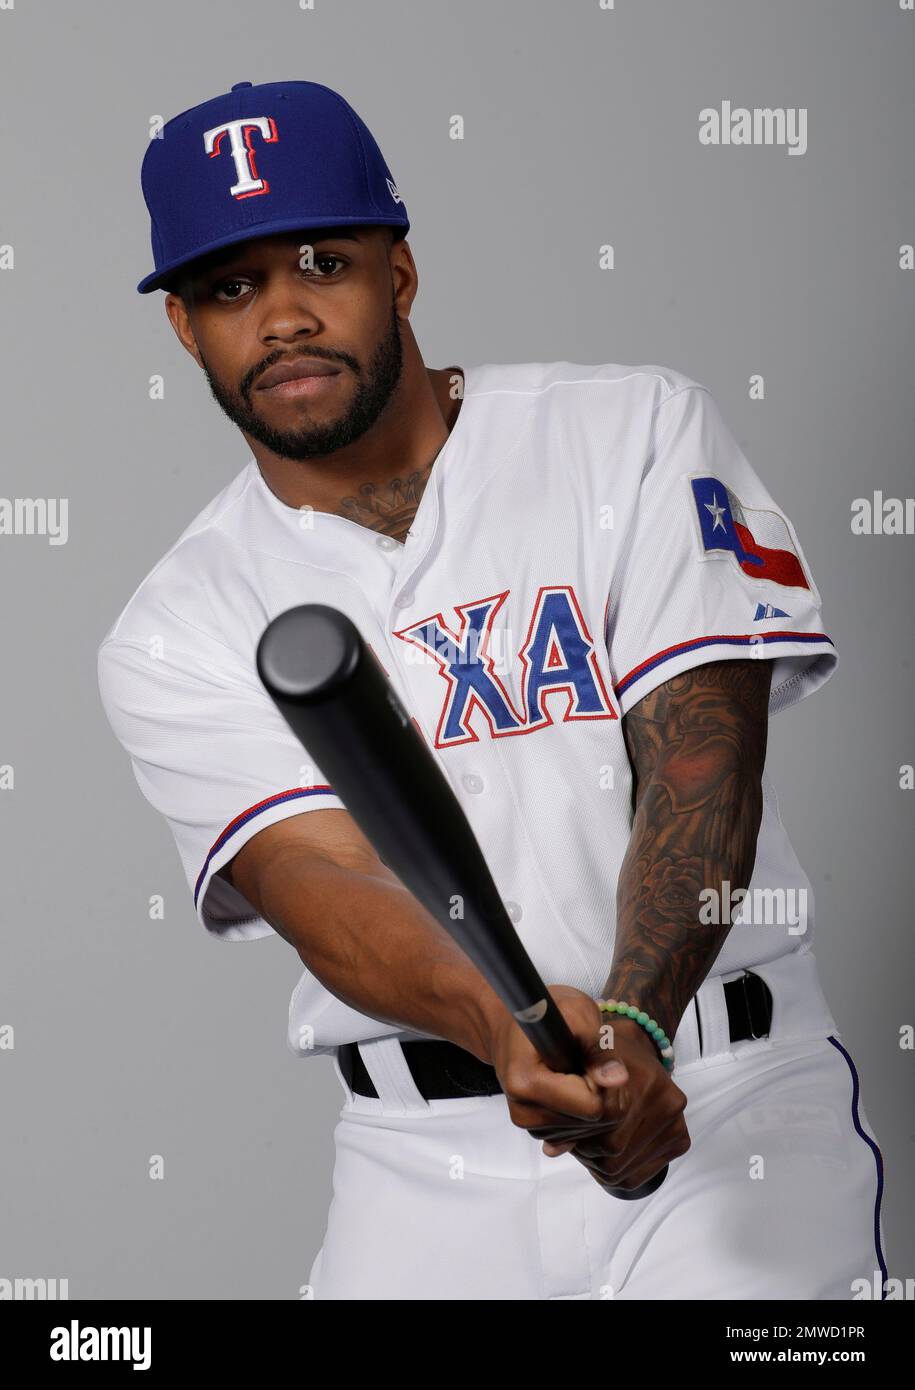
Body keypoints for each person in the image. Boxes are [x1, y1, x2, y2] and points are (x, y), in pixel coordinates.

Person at [97, 79, 887, 1300]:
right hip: (422, 1167)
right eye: (230, 287)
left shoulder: (627, 434)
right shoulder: (174, 623)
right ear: (185, 331)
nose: (285, 315)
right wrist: (508, 1029)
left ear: (400, 273)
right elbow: (323, 882)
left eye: (322, 258)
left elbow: (701, 754)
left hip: (729, 1102)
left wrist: (633, 1025)